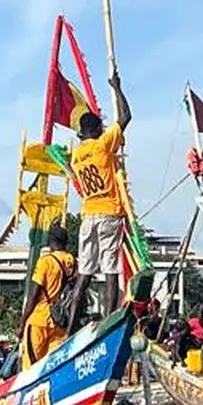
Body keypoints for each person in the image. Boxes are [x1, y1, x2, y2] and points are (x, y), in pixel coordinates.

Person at [69, 78, 132, 315]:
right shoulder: (102, 145)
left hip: (88, 216)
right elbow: (126, 117)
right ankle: (109, 320)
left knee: (84, 275)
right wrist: (117, 87)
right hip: (108, 213)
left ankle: (72, 325)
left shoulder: (76, 156)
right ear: (96, 131)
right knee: (111, 271)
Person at [21, 227, 77, 366]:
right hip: (60, 320)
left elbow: (33, 295)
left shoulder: (45, 262)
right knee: (52, 363)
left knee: (31, 365)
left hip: (39, 319)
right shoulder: (72, 261)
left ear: (51, 241)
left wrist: (22, 323)